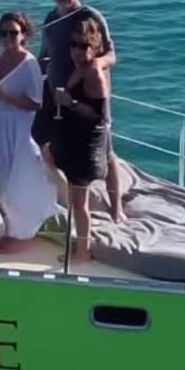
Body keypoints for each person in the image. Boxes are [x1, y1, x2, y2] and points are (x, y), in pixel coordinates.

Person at [32, 0, 124, 221]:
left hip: (86, 95)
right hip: (55, 95)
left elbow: (112, 55)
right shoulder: (51, 18)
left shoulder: (91, 17)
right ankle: (69, 199)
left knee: (107, 151)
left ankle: (116, 208)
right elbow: (44, 55)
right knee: (46, 144)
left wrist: (94, 66)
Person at [0, 12, 59, 254]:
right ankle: (11, 230)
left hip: (19, 128)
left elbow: (36, 102)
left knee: (18, 183)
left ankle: (24, 234)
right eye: (3, 33)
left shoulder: (29, 64)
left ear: (24, 35)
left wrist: (6, 96)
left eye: (13, 33)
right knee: (1, 180)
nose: (8, 37)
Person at [51, 17, 111, 262]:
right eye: (74, 45)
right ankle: (80, 229)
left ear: (95, 47)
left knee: (79, 203)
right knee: (46, 154)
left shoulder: (94, 72)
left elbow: (101, 116)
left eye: (85, 45)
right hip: (72, 140)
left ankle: (83, 252)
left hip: (86, 146)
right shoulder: (79, 67)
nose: (78, 50)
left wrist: (71, 102)